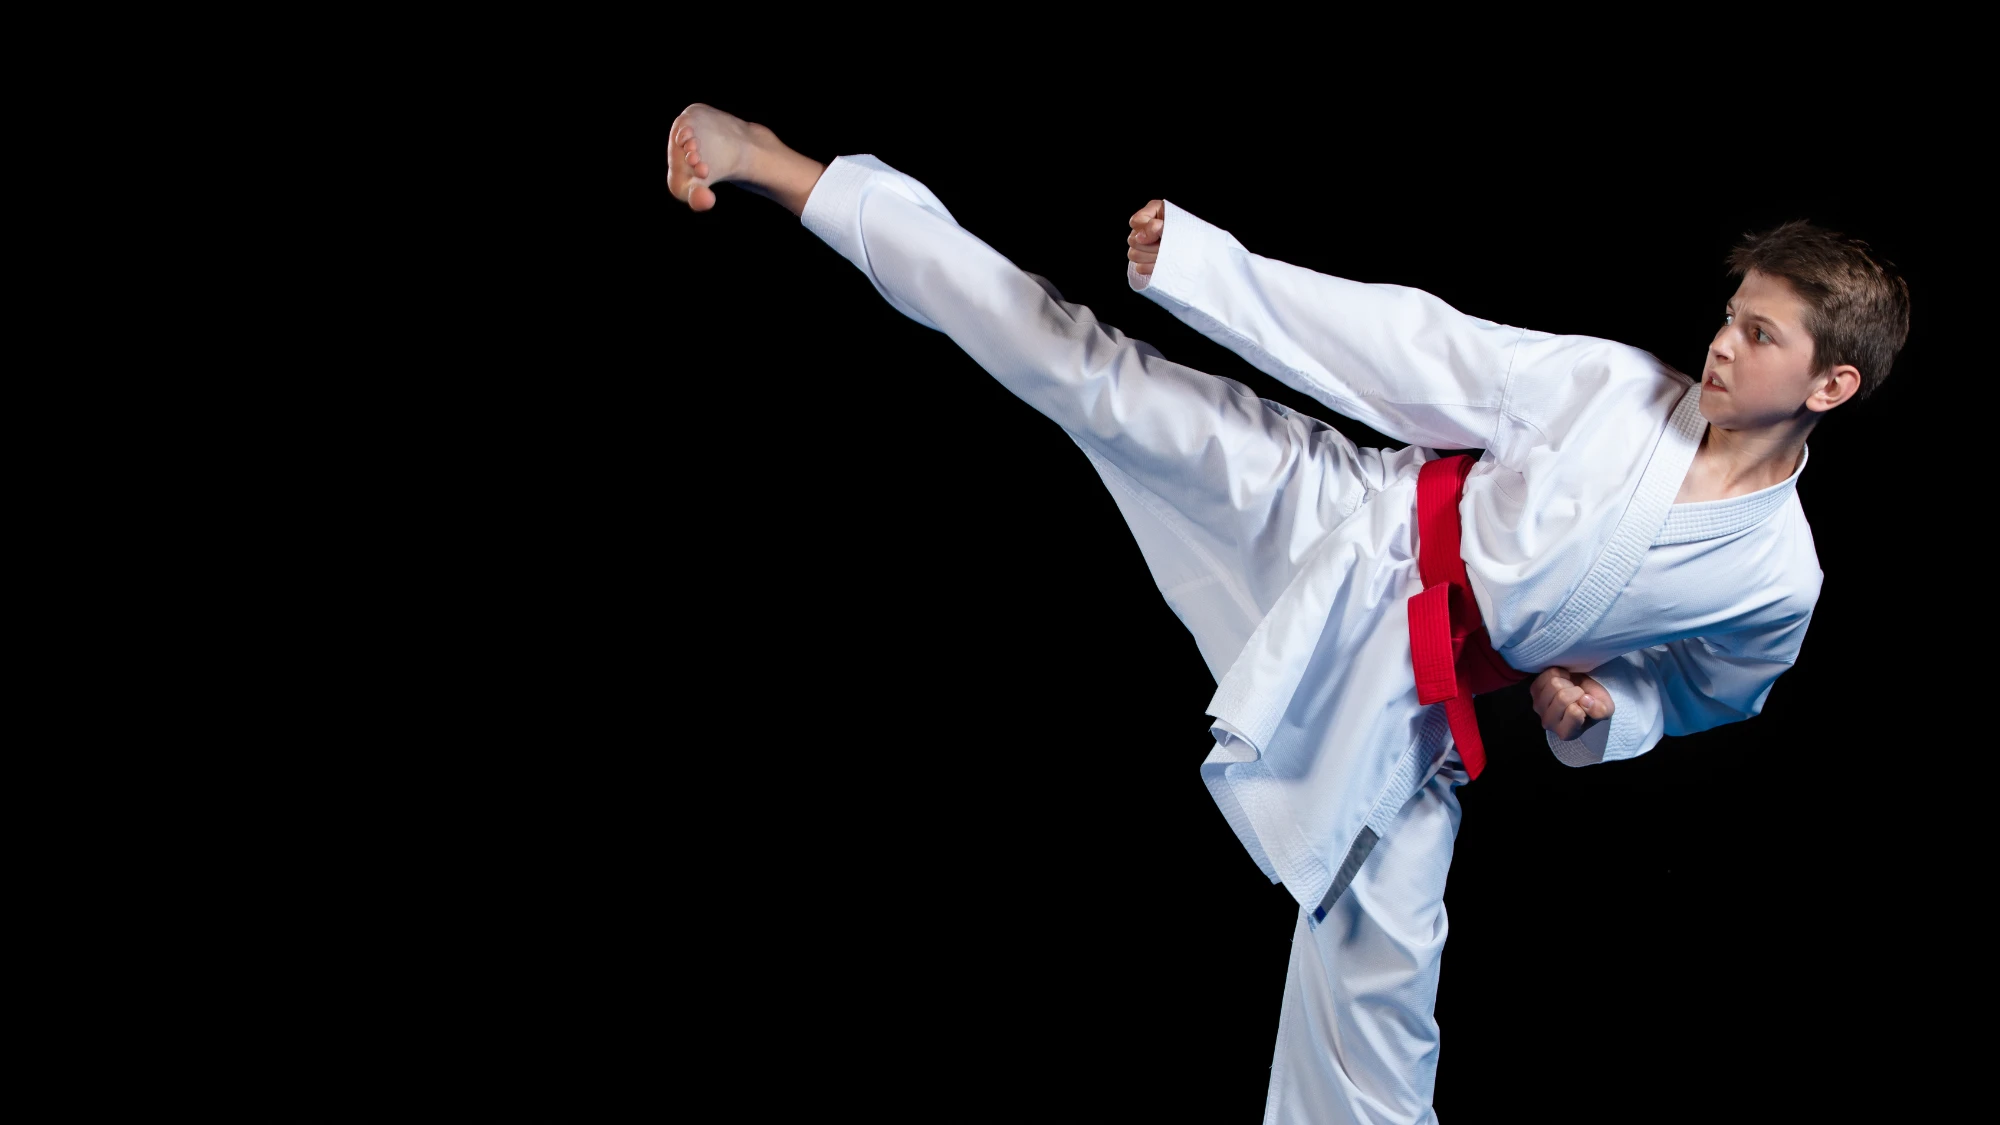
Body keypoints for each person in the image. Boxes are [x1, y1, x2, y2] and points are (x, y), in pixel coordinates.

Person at [665, 103, 1910, 1123]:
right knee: (1083, 370)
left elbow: (1711, 689)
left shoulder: (1773, 579)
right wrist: (1217, 276)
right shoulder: (1611, 388)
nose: (1719, 343)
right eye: (1729, 312)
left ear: (1831, 384)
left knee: (1379, 982)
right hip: (1339, 523)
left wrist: (1599, 711)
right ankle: (784, 166)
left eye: (1758, 334)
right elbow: (1417, 347)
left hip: (1415, 701)